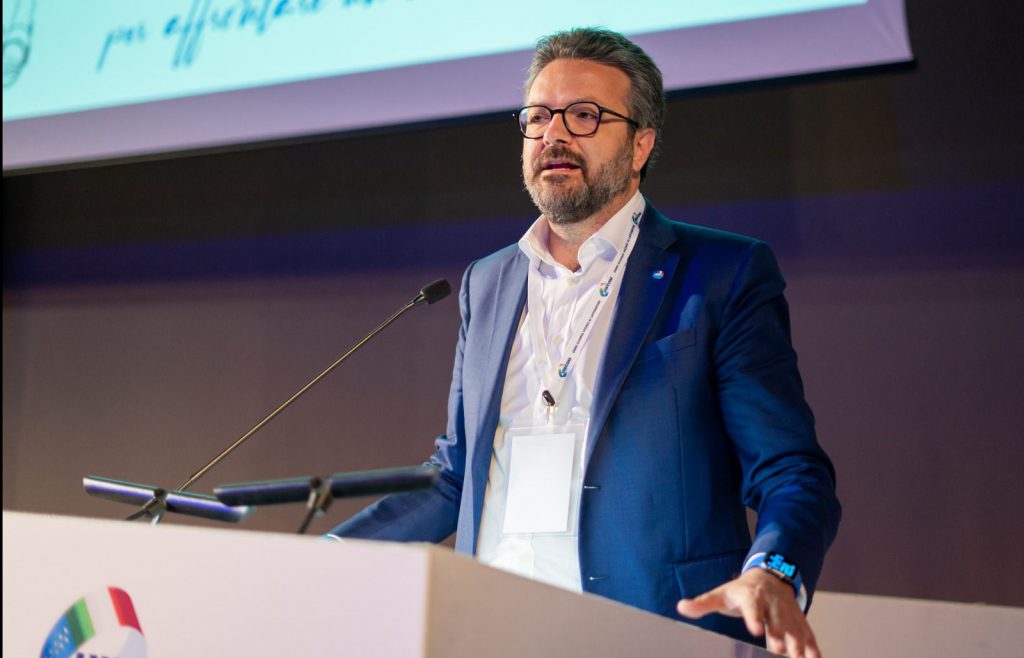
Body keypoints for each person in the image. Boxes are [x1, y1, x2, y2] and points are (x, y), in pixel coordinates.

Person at [329, 27, 840, 658]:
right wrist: (332, 556)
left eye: (584, 115)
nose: (554, 134)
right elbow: (455, 477)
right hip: (493, 631)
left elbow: (790, 469)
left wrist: (774, 571)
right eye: (539, 116)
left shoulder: (719, 273)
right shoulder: (488, 282)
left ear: (640, 144)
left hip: (650, 632)